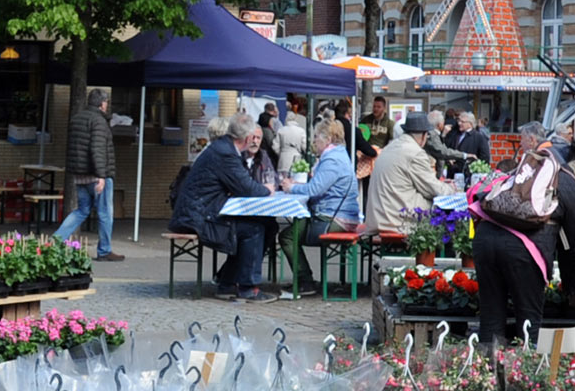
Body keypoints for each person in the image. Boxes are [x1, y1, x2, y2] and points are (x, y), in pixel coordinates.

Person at [473, 133, 575, 349]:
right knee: (528, 322)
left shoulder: (521, 172)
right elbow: (569, 247)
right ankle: (526, 376)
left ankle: (486, 375)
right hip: (525, 248)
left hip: (485, 239)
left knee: (490, 316)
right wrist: (572, 291)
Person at [172, 118, 278, 302]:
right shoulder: (225, 154)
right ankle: (248, 288)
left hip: (200, 212)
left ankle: (227, 281)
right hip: (199, 218)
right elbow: (247, 188)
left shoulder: (223, 148)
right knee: (254, 229)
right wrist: (267, 190)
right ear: (245, 138)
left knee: (268, 224)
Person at [281, 120, 362, 298]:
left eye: (316, 137)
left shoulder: (332, 159)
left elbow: (314, 190)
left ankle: (305, 281)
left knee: (287, 236)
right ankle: (304, 279)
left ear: (329, 139)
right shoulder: (338, 155)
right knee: (295, 228)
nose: (314, 141)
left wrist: (291, 188)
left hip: (334, 218)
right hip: (337, 214)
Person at [53, 89, 124, 260]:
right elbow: (97, 149)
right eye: (106, 102)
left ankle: (54, 242)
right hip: (97, 175)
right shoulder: (99, 122)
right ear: (101, 103)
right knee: (105, 212)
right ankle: (104, 250)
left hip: (79, 175)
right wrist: (101, 176)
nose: (107, 105)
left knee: (81, 210)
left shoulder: (77, 119)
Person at [363, 114, 447, 237]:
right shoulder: (415, 153)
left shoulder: (388, 148)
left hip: (378, 219)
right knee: (448, 217)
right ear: (424, 135)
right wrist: (453, 189)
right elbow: (433, 188)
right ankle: (443, 255)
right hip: (399, 222)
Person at [444, 111, 492, 176]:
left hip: (467, 175)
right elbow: (445, 148)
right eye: (458, 120)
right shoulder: (454, 134)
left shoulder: (479, 137)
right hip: (451, 173)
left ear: (470, 123)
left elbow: (484, 158)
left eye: (462, 122)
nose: (459, 123)